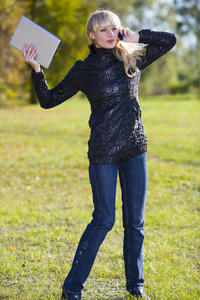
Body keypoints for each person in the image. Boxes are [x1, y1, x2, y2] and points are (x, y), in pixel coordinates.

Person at [23, 9, 176, 300]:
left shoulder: (131, 57)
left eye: (114, 29)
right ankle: (72, 289)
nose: (109, 34)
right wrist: (36, 70)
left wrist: (137, 36)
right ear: (91, 35)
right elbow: (48, 100)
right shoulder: (83, 69)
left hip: (134, 149)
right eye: (103, 30)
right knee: (104, 219)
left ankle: (135, 285)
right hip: (103, 153)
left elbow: (169, 40)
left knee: (135, 222)